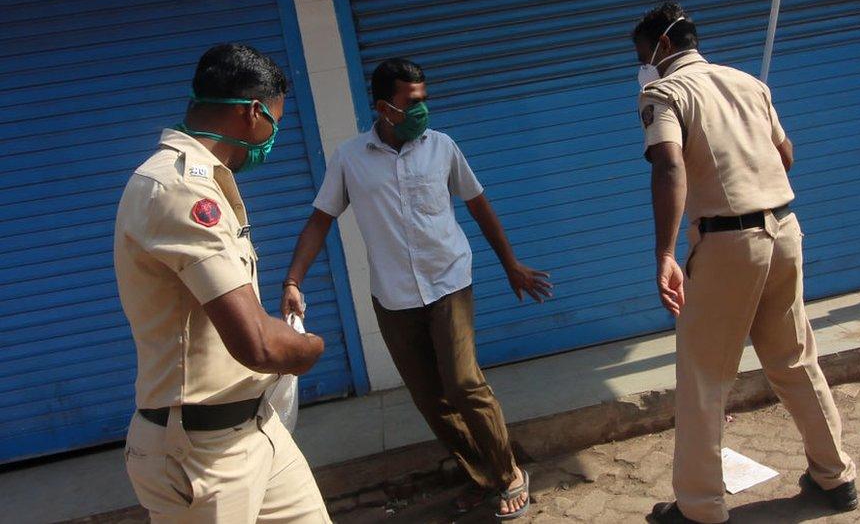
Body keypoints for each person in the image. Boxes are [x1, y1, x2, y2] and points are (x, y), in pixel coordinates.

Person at [281, 58, 551, 520]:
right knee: (430, 398)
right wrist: (293, 280)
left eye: (425, 99)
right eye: (413, 102)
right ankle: (483, 476)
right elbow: (320, 220)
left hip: (449, 282)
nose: (423, 110)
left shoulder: (441, 147)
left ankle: (508, 474)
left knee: (465, 384)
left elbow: (478, 204)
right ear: (385, 108)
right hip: (393, 296)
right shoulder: (349, 158)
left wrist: (510, 263)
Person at [633, 3, 858, 524]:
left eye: (643, 55)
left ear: (663, 48)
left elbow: (669, 166)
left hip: (729, 244)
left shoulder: (663, 93)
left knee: (704, 375)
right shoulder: (748, 83)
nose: (642, 66)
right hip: (784, 232)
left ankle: (700, 508)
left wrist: (665, 253)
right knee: (794, 360)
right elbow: (787, 155)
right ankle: (835, 477)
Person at [114, 43, 331, 523]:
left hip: (258, 428)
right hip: (199, 455)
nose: (274, 135)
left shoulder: (208, 181)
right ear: (254, 113)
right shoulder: (178, 190)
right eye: (276, 119)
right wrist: (308, 347)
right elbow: (257, 343)